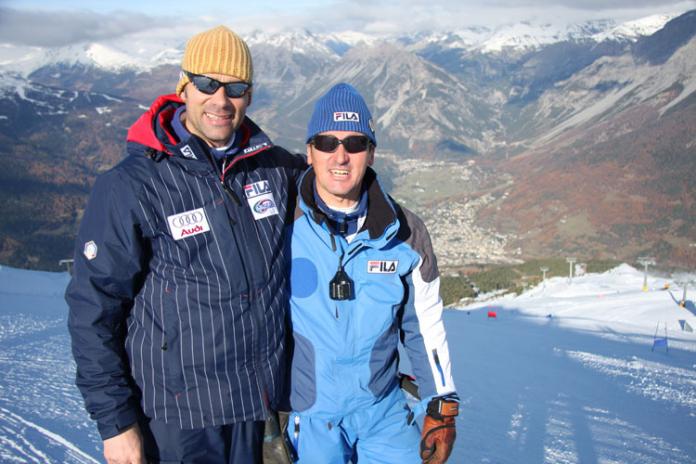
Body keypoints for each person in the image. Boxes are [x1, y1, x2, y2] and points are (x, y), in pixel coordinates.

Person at [66, 25, 305, 463]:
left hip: (258, 414)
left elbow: (337, 183)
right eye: (207, 84)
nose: (220, 100)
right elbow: (93, 309)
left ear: (250, 96)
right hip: (179, 422)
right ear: (184, 86)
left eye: (235, 88)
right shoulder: (134, 184)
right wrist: (116, 423)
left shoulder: (273, 169)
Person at [284, 83, 459, 463]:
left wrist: (441, 404)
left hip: (382, 410)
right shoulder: (281, 225)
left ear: (371, 152)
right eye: (327, 143)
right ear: (310, 152)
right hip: (311, 415)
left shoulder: (406, 234)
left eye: (355, 143)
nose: (340, 156)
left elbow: (424, 324)